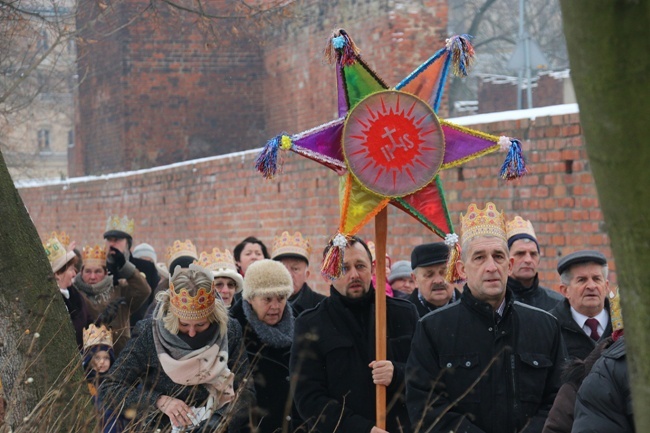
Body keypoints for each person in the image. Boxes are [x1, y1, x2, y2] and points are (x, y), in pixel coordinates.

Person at [406, 202, 566, 433]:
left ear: (509, 265)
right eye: (479, 257)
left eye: (498, 256)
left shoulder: (544, 326)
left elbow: (560, 399)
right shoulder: (433, 329)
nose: (491, 266)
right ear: (461, 269)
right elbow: (425, 406)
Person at [291, 236, 418, 433]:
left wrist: (397, 373)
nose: (354, 275)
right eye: (343, 268)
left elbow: (427, 375)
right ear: (328, 275)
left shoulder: (402, 314)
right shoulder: (311, 324)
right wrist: (363, 429)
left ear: (373, 269)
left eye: (360, 266)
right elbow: (308, 399)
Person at [99, 265, 240, 432]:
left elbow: (246, 389)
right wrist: (159, 401)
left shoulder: (228, 331)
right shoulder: (149, 334)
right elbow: (110, 388)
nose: (192, 332)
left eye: (201, 325)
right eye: (184, 324)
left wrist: (219, 418)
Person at [230, 259, 302, 433]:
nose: (275, 306)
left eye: (281, 298)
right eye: (267, 299)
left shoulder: (300, 324)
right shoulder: (233, 331)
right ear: (250, 298)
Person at [73, 244, 150, 356]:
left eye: (98, 271)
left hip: (120, 357)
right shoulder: (75, 295)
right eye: (88, 271)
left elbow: (143, 290)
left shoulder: (119, 290)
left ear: (105, 273)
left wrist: (125, 267)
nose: (93, 277)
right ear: (81, 272)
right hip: (87, 361)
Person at [549, 250, 612, 361]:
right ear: (565, 290)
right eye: (582, 280)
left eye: (597, 279)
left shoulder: (627, 324)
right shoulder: (551, 327)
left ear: (606, 286)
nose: (591, 286)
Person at [104, 215, 160, 327]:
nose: (112, 244)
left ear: (128, 243)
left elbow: (154, 300)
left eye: (117, 240)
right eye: (109, 240)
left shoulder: (146, 267)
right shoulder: (100, 269)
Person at [506, 216, 563, 311]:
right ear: (507, 260)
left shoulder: (557, 303)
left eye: (533, 254)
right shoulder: (497, 302)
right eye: (520, 253)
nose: (528, 260)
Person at [44, 236, 90, 350]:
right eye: (70, 269)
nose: (75, 274)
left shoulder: (73, 296)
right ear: (57, 274)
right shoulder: (52, 302)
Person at [271, 231, 325, 315]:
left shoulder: (321, 306)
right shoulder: (264, 305)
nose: (288, 275)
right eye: (283, 268)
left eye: (295, 269)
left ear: (306, 275)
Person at [407, 242, 460, 318]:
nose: (438, 281)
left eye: (444, 273)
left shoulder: (471, 311)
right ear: (415, 279)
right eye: (429, 275)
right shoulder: (403, 315)